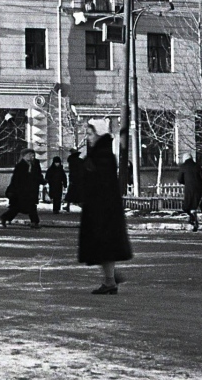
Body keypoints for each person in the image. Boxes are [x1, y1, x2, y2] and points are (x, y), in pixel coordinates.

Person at [78, 118, 132, 294]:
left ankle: (110, 281)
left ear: (99, 133)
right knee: (103, 246)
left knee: (104, 245)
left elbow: (98, 181)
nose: (88, 137)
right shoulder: (102, 152)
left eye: (90, 133)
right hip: (103, 207)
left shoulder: (101, 155)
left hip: (101, 209)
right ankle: (111, 277)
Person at [0, 149, 42, 228]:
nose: (32, 157)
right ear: (24, 156)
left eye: (33, 155)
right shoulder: (20, 166)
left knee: (29, 206)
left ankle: (34, 222)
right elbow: (16, 179)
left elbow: (37, 175)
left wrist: (42, 181)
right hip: (22, 191)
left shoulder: (35, 164)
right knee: (21, 207)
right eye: (30, 155)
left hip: (31, 190)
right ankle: (34, 222)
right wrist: (14, 190)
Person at [178, 153, 202, 232]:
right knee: (194, 205)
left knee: (187, 206)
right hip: (198, 189)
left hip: (189, 189)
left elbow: (179, 179)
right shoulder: (197, 166)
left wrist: (186, 182)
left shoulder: (183, 167)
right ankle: (194, 221)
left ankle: (193, 219)